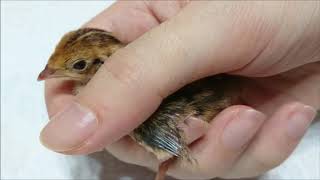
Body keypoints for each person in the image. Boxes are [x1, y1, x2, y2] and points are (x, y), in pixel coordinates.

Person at [40, 1, 319, 179]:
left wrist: (169, 154)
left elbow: (172, 137)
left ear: (101, 65)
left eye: (77, 65)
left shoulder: (142, 113)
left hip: (213, 100)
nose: (49, 74)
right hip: (240, 87)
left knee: (158, 135)